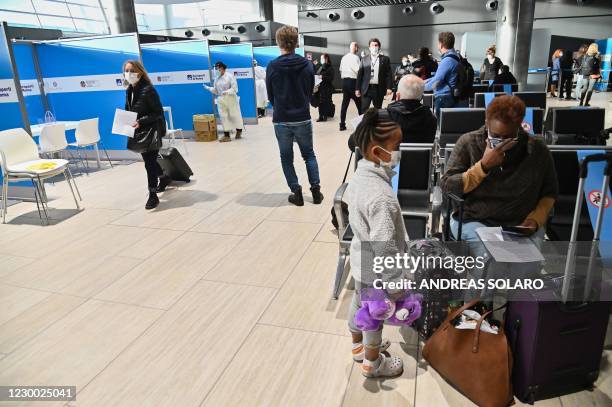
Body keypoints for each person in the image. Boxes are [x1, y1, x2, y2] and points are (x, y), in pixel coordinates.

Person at [441, 95, 557, 243]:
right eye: (495, 136)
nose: (501, 142)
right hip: (476, 220)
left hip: (521, 222)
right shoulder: (469, 143)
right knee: (489, 259)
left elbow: (549, 192)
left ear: (519, 128)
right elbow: (447, 186)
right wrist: (483, 166)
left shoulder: (536, 150)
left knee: (526, 264)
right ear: (486, 124)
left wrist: (535, 220)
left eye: (508, 137)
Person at [346, 107, 407, 378]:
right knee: (374, 316)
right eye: (397, 146)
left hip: (360, 261)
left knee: (359, 303)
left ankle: (357, 347)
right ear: (376, 153)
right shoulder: (381, 196)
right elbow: (385, 247)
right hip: (377, 273)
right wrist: (395, 285)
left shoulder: (358, 177)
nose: (399, 152)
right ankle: (373, 363)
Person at [266, 25, 323, 206]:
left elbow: (270, 95)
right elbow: (309, 90)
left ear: (278, 42)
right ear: (296, 42)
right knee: (309, 155)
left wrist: (280, 107)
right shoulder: (307, 64)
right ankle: (316, 192)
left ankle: (296, 192)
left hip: (282, 119)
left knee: (286, 157)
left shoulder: (273, 66)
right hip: (302, 116)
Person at [123, 60, 170, 210]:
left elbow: (158, 113)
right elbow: (129, 109)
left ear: (140, 72)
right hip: (139, 131)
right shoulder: (129, 90)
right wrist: (124, 120)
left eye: (132, 70)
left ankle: (153, 195)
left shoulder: (148, 89)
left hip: (152, 130)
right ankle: (163, 177)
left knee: (149, 163)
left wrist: (141, 121)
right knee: (148, 161)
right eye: (126, 71)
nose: (129, 74)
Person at [387, 75, 437, 143]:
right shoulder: (431, 119)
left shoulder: (383, 117)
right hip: (422, 153)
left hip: (391, 153)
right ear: (422, 98)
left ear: (397, 96)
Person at [204, 61, 243, 142]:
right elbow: (216, 91)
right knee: (223, 117)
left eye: (217, 68)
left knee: (234, 115)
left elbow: (235, 88)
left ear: (222, 68)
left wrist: (227, 92)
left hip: (231, 98)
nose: (216, 70)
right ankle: (226, 135)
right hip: (221, 100)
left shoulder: (229, 76)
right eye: (216, 69)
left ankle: (239, 131)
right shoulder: (216, 79)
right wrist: (209, 88)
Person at [425, 32, 460, 117]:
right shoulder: (455, 57)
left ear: (441, 44)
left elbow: (437, 81)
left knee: (441, 126)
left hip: (444, 98)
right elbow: (439, 77)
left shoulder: (447, 60)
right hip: (449, 96)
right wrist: (424, 81)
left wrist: (419, 87)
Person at [356, 38, 393, 111]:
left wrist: (389, 87)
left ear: (379, 47)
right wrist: (357, 89)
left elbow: (388, 75)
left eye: (376, 45)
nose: (374, 47)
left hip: (379, 89)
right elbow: (360, 75)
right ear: (369, 47)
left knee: (378, 109)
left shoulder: (385, 59)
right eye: (372, 45)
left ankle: (376, 122)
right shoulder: (364, 59)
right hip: (366, 89)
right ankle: (365, 122)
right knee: (364, 109)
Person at [339, 42, 361, 131]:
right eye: (357, 47)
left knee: (344, 104)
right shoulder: (356, 58)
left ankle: (342, 124)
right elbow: (359, 71)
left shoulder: (344, 57)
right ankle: (362, 124)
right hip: (353, 82)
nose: (358, 49)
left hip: (344, 82)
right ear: (355, 48)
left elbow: (340, 70)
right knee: (360, 104)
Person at [315, 53, 335, 122]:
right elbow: (317, 74)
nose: (321, 60)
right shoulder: (321, 67)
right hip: (320, 88)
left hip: (327, 88)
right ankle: (320, 116)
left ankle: (325, 116)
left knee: (326, 102)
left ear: (326, 59)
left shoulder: (330, 68)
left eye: (322, 58)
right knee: (320, 102)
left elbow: (331, 78)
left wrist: (322, 77)